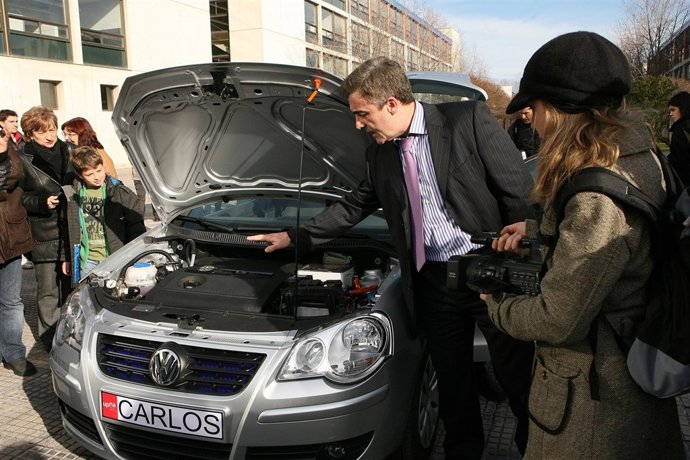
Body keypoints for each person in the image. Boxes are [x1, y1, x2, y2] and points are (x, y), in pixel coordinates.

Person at [248, 56, 536, 459]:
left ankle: (535, 449)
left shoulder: (466, 120)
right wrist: (295, 237)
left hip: (490, 274)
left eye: (362, 114)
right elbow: (353, 207)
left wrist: (520, 254)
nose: (358, 124)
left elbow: (518, 193)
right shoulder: (378, 154)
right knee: (453, 385)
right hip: (434, 282)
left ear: (392, 105)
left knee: (518, 378)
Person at [483, 31, 685, 459]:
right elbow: (622, 248)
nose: (532, 122)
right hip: (629, 381)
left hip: (596, 411)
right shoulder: (640, 156)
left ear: (560, 111)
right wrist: (536, 232)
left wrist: (492, 300)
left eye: (534, 109)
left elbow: (556, 320)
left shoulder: (598, 197)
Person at [18, 106, 76, 350]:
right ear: (30, 134)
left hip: (72, 228)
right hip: (44, 232)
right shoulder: (22, 158)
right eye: (43, 132)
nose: (50, 136)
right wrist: (42, 202)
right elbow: (19, 198)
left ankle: (71, 335)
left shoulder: (70, 150)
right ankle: (49, 340)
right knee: (48, 291)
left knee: (72, 289)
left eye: (52, 129)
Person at [66, 146, 145, 278]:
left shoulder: (120, 192)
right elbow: (69, 228)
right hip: (87, 261)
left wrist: (134, 255)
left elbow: (136, 226)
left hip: (115, 258)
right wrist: (67, 257)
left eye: (99, 170)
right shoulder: (73, 195)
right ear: (80, 175)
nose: (96, 177)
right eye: (90, 174)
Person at [0, 125, 37, 376]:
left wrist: (3, 152)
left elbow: (12, 176)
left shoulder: (13, 154)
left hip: (11, 238)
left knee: (11, 301)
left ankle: (13, 353)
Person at [1, 109, 34, 270]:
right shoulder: (6, 144)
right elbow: (13, 174)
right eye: (11, 121)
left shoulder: (20, 140)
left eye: (16, 121)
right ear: (1, 123)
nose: (15, 124)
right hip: (7, 210)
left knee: (12, 295)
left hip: (16, 208)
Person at [667, 91, 690, 186]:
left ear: (683, 109)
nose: (670, 114)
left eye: (673, 110)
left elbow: (679, 161)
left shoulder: (681, 129)